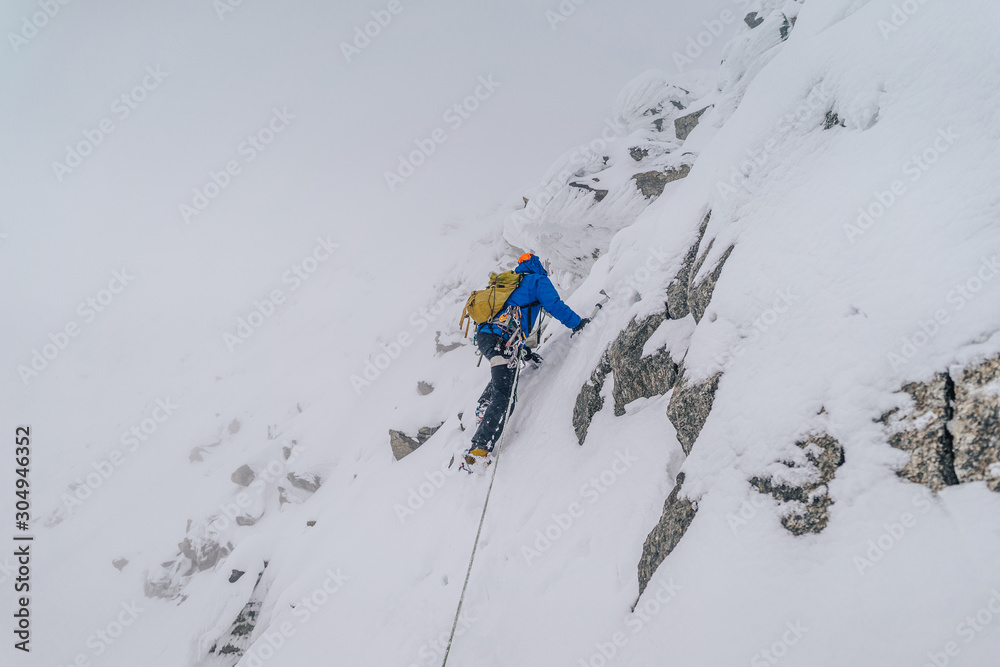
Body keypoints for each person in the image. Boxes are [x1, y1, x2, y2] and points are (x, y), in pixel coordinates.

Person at [463, 252, 589, 470]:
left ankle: (485, 404)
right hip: (502, 339)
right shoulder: (538, 280)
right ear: (537, 266)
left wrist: (524, 351)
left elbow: (509, 320)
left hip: (488, 337)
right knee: (505, 394)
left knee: (503, 376)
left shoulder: (512, 285)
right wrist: (577, 324)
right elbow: (554, 305)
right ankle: (479, 448)